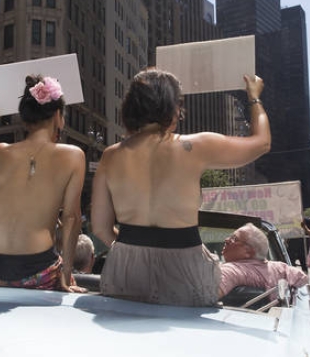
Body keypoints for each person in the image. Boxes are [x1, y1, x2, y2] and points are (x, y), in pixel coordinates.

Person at [91, 69, 271, 307]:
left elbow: (100, 228)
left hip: (125, 265)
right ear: (171, 107)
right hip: (184, 263)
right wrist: (254, 97)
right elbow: (262, 143)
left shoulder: (110, 156)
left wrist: (132, 250)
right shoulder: (196, 146)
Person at [0, 75, 85, 291]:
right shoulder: (73, 156)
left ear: (25, 119)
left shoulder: (1, 151)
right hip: (37, 267)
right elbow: (71, 217)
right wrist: (67, 275)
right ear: (59, 116)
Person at [218, 223, 309, 299]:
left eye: (234, 239)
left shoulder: (233, 270)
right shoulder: (281, 268)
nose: (227, 240)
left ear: (248, 252)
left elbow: (208, 294)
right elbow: (303, 283)